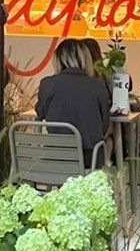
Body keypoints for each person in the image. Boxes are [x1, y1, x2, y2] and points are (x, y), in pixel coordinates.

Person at [35, 38, 110, 168]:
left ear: (58, 60)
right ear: (85, 59)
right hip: (89, 161)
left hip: (55, 159)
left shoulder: (47, 84)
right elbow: (104, 125)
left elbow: (40, 113)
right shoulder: (97, 86)